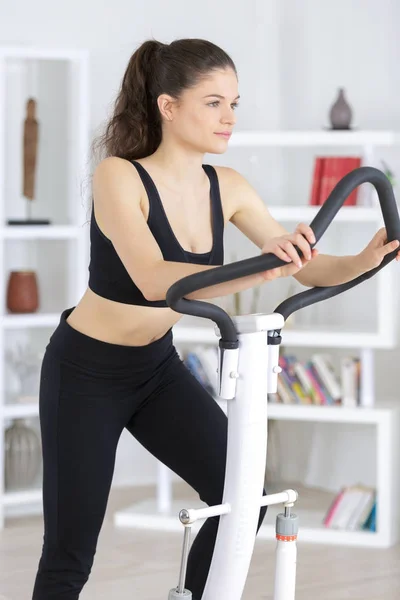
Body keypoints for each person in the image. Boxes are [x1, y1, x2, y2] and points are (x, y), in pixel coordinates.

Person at [31, 37, 400, 600]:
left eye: (234, 104)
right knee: (70, 552)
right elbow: (155, 280)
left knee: (242, 497)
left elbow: (303, 267)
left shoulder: (227, 187)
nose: (229, 118)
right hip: (85, 373)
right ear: (168, 106)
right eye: (213, 103)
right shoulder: (119, 177)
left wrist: (365, 258)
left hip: (155, 369)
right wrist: (261, 271)